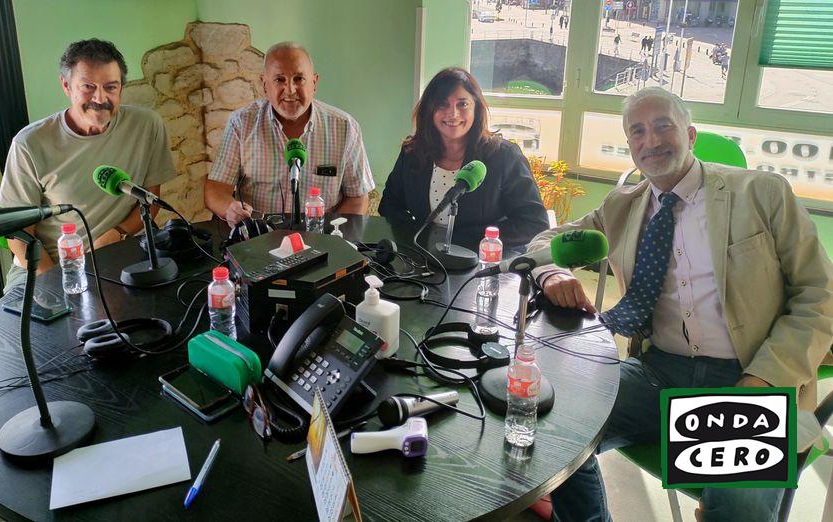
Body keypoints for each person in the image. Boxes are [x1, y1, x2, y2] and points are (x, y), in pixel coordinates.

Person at [529, 87, 833, 521]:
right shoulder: (623, 206)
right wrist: (553, 271)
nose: (650, 140)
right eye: (638, 131)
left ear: (690, 134)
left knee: (738, 506)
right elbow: (542, 242)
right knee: (554, 428)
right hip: (660, 370)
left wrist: (764, 382)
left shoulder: (763, 193)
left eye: (663, 126)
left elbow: (820, 295)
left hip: (751, 377)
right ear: (630, 146)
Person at [0, 39, 176, 292]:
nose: (100, 98)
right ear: (67, 86)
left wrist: (117, 234)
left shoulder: (146, 125)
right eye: (88, 87)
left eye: (110, 87)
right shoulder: (30, 143)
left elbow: (149, 198)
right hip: (45, 268)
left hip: (116, 258)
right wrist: (61, 285)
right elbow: (18, 235)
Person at [204, 42, 374, 228]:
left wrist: (332, 237)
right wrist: (230, 208)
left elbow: (357, 197)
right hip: (259, 239)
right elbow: (216, 189)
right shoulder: (241, 123)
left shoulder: (345, 127)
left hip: (321, 239)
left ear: (314, 83)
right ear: (264, 86)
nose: (290, 90)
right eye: (279, 79)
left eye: (299, 78)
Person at [378, 68, 548, 250]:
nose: (453, 114)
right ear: (429, 109)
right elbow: (389, 205)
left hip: (480, 264)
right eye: (442, 104)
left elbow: (534, 223)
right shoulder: (413, 152)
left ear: (476, 108)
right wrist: (418, 237)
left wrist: (472, 240)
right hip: (424, 259)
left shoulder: (504, 156)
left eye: (462, 104)